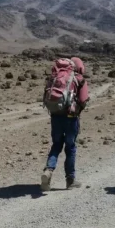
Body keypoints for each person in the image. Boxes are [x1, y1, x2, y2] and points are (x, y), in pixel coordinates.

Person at [41, 57, 89, 192]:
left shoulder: (56, 77)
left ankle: (48, 171)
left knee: (56, 145)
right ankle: (70, 180)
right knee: (70, 148)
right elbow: (83, 99)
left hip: (56, 116)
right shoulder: (79, 79)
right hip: (71, 118)